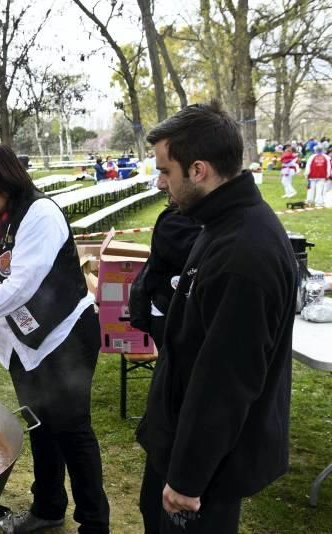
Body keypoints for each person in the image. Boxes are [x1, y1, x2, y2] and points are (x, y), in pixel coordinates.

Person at [0, 144, 110, 534]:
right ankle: (48, 508)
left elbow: (20, 286)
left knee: (73, 430)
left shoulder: (39, 214)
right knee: (38, 423)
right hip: (20, 343)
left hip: (63, 336)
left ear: (5, 181)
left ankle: (94, 524)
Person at [136, 101, 296, 533]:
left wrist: (187, 479)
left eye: (165, 171)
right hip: (181, 439)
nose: (160, 182)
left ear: (199, 170)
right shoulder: (219, 222)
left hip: (207, 470)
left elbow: (227, 383)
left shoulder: (244, 253)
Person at [128, 201, 201, 349]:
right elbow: (201, 254)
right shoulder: (172, 223)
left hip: (195, 314)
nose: (161, 184)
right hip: (171, 314)